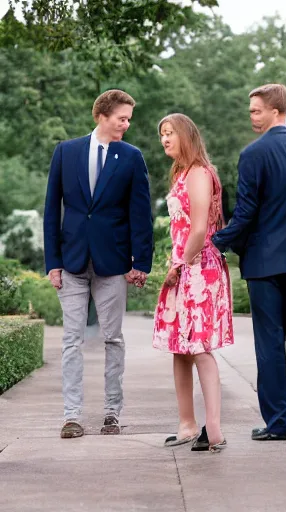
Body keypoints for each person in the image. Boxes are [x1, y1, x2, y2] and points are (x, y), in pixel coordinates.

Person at [212, 84, 286, 442]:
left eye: (256, 111)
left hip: (265, 261)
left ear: (276, 110)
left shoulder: (253, 154)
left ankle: (277, 424)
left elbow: (245, 213)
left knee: (271, 342)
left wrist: (216, 242)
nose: (252, 117)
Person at [43, 89, 153, 439]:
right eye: (122, 117)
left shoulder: (131, 156)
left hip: (114, 262)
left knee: (113, 338)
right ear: (102, 116)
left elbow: (140, 213)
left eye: (129, 119)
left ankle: (111, 413)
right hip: (71, 260)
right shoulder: (67, 152)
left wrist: (142, 262)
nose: (127, 124)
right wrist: (53, 263)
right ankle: (71, 416)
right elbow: (51, 211)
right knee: (71, 340)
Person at [152, 113, 234, 453]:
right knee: (179, 347)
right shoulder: (180, 173)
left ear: (186, 135)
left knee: (200, 346)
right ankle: (187, 424)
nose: (165, 139)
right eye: (162, 135)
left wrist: (181, 263)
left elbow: (199, 228)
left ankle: (212, 429)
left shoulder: (200, 172)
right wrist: (176, 265)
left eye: (170, 133)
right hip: (182, 265)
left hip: (199, 267)